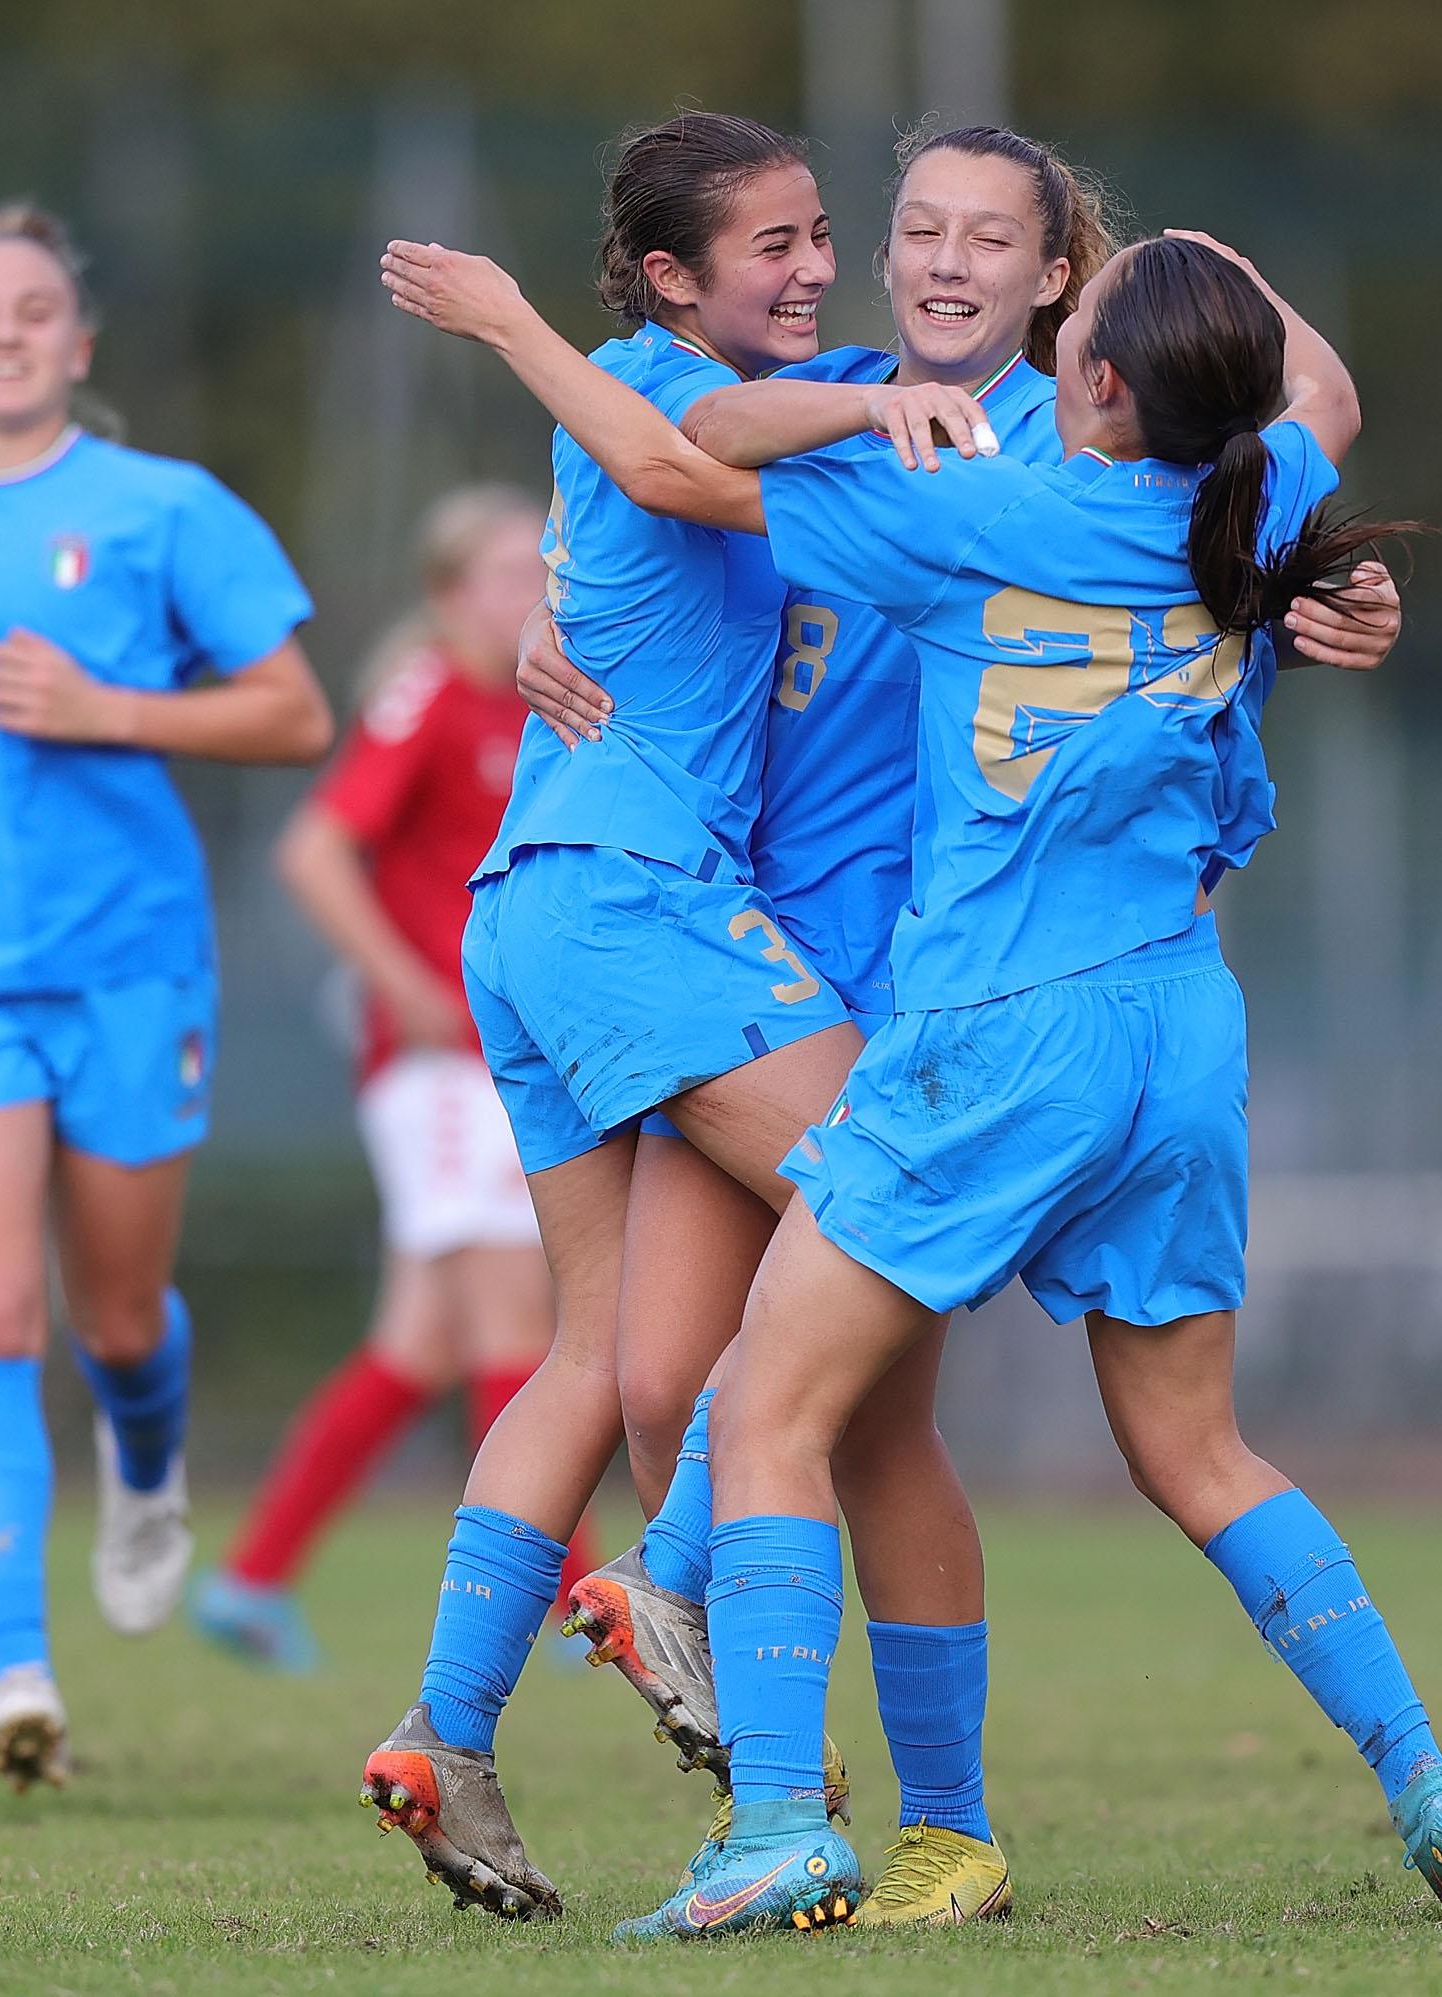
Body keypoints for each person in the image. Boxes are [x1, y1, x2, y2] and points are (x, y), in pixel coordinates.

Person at [378, 229, 1442, 1941]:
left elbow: (686, 461)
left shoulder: (975, 510)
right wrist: (1178, 251)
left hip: (993, 1039)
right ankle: (1435, 1786)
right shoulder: (1257, 498)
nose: (939, 260)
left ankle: (777, 1824)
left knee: (767, 1411)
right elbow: (1329, 391)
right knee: (1199, 1447)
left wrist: (788, 415)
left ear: (1091, 376)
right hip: (1178, 1034)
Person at [349, 111, 981, 1926]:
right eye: (772, 245)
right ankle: (670, 1573)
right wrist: (517, 325)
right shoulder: (638, 376)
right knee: (897, 1184)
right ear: (666, 278)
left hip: (533, 911)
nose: (815, 265)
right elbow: (691, 463)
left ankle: (447, 1726)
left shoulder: (756, 383)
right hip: (636, 901)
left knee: (606, 1356)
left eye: (819, 233)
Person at [0, 201, 333, 1794]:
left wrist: (109, 707)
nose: (8, 330)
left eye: (36, 308)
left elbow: (296, 714)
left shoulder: (169, 508)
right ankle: (15, 1671)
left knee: (112, 1313)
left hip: (125, 958)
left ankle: (149, 1460)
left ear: (78, 345)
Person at [188, 486, 593, 1673]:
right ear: (449, 595)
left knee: (420, 1340)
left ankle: (253, 1577)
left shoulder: (531, 699)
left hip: (487, 1060)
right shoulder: (432, 691)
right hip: (448, 1067)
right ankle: (577, 1597)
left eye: (544, 564)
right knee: (520, 1330)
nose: (535, 587)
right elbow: (313, 848)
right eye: (509, 569)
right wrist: (405, 985)